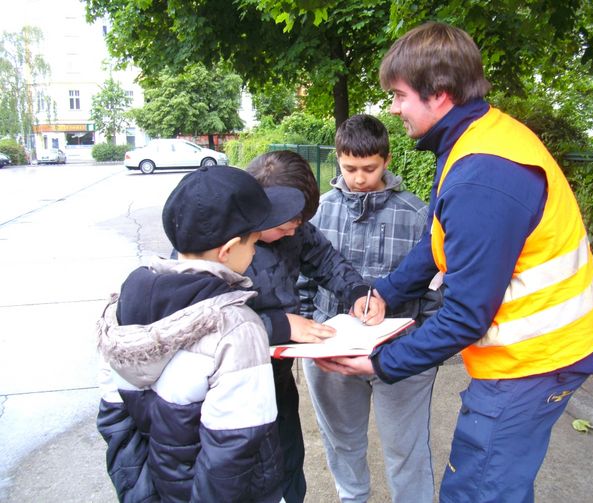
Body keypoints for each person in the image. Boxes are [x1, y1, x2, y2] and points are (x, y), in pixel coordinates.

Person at [319, 22, 593, 502]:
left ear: (438, 94)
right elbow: (439, 241)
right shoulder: (476, 137)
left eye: (398, 95)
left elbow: (464, 314)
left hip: (537, 358)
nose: (393, 108)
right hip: (546, 348)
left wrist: (379, 362)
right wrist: (386, 293)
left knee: (478, 488)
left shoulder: (482, 176)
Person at [96, 166, 306, 502]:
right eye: (253, 243)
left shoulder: (120, 309)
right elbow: (234, 451)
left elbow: (116, 421)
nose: (254, 253)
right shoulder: (238, 328)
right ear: (229, 249)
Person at [298, 114, 441, 502]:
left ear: (387, 160)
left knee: (405, 452)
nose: (359, 178)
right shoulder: (319, 212)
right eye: (349, 168)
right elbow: (303, 281)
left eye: (369, 168)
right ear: (338, 159)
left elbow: (434, 290)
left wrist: (423, 352)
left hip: (401, 355)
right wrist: (310, 338)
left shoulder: (418, 215)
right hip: (331, 353)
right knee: (342, 444)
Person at [243, 150, 385, 503]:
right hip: (234, 385)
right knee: (248, 475)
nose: (295, 230)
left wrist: (356, 291)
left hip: (277, 376)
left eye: (300, 221)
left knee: (288, 463)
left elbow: (324, 258)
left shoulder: (292, 228)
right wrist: (278, 325)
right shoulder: (220, 244)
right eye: (285, 224)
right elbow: (202, 325)